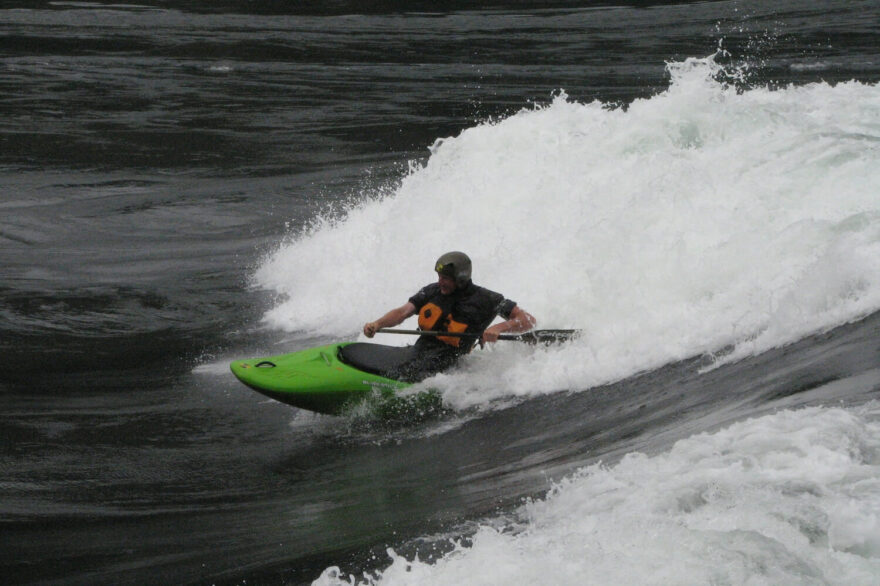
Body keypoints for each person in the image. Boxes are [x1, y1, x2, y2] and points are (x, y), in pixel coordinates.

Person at [362, 251, 536, 382]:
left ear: (461, 278)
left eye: (445, 278)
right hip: (418, 353)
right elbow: (402, 312)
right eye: (439, 276)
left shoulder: (487, 299)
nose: (440, 282)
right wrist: (377, 324)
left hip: (449, 364)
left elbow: (527, 320)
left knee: (402, 374)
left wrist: (499, 328)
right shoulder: (432, 291)